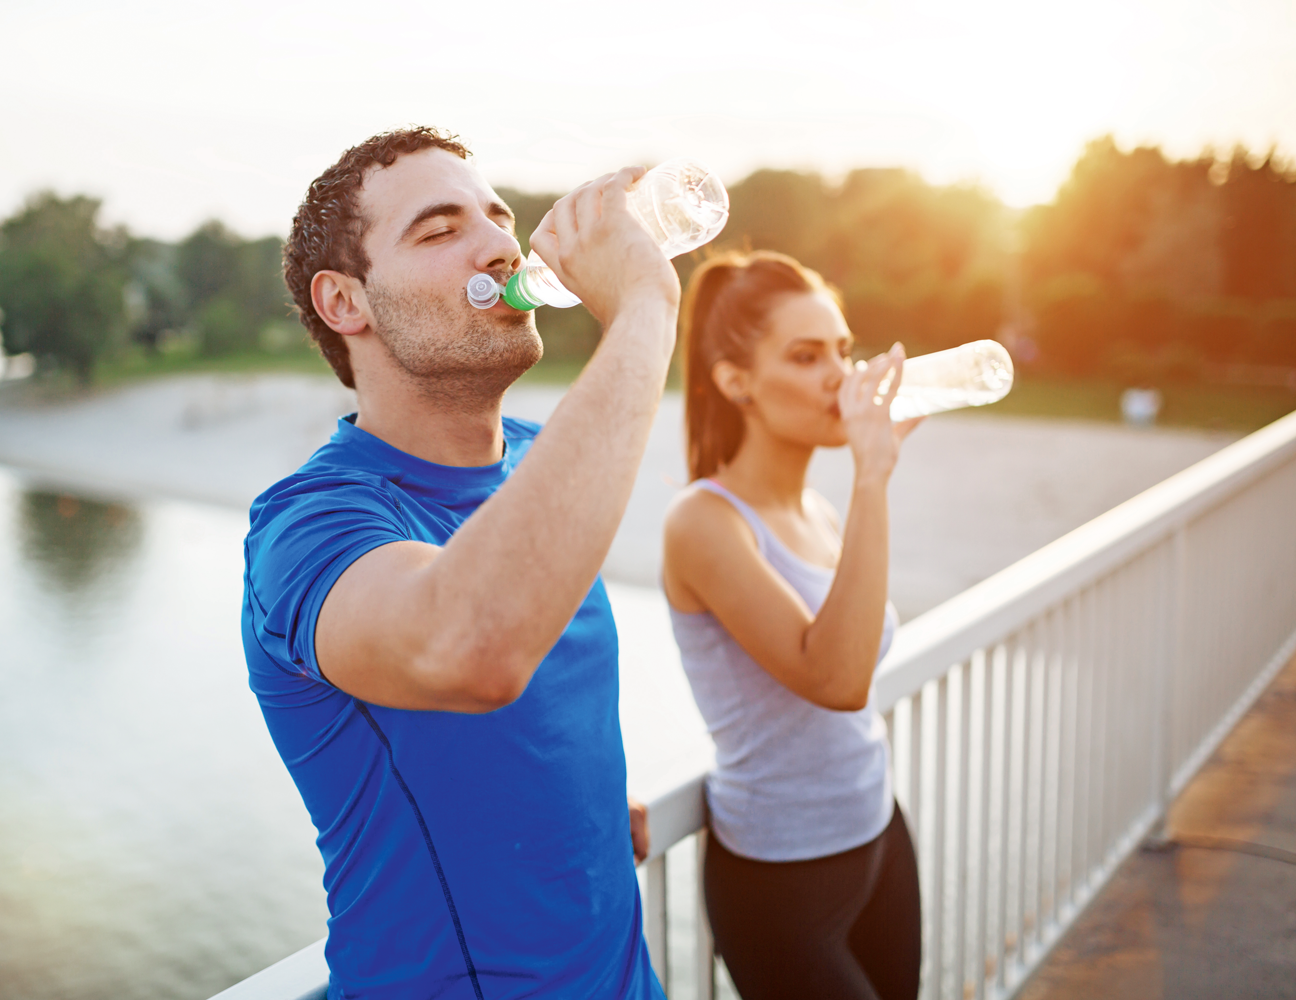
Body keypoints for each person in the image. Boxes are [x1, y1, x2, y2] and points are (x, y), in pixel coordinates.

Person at [241, 127, 678, 999]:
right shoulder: (307, 528)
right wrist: (644, 306)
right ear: (345, 302)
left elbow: (537, 728)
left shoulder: (540, 458)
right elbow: (472, 646)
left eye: (499, 218)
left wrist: (584, 812)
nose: (500, 247)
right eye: (440, 230)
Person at [661, 251, 924, 1000]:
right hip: (781, 876)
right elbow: (837, 679)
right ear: (735, 381)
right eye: (807, 357)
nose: (841, 376)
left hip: (876, 831)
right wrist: (873, 475)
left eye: (843, 350)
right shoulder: (704, 522)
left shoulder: (818, 512)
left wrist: (865, 485)